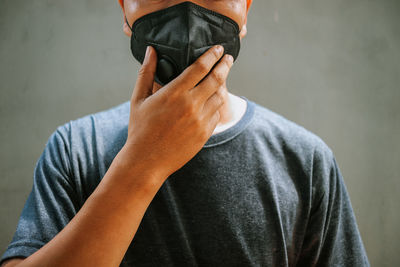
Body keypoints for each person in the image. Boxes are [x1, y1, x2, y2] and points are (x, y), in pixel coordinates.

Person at [1, 0, 370, 266]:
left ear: (246, 10)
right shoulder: (74, 149)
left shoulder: (305, 160)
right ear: (124, 11)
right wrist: (142, 165)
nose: (189, 14)